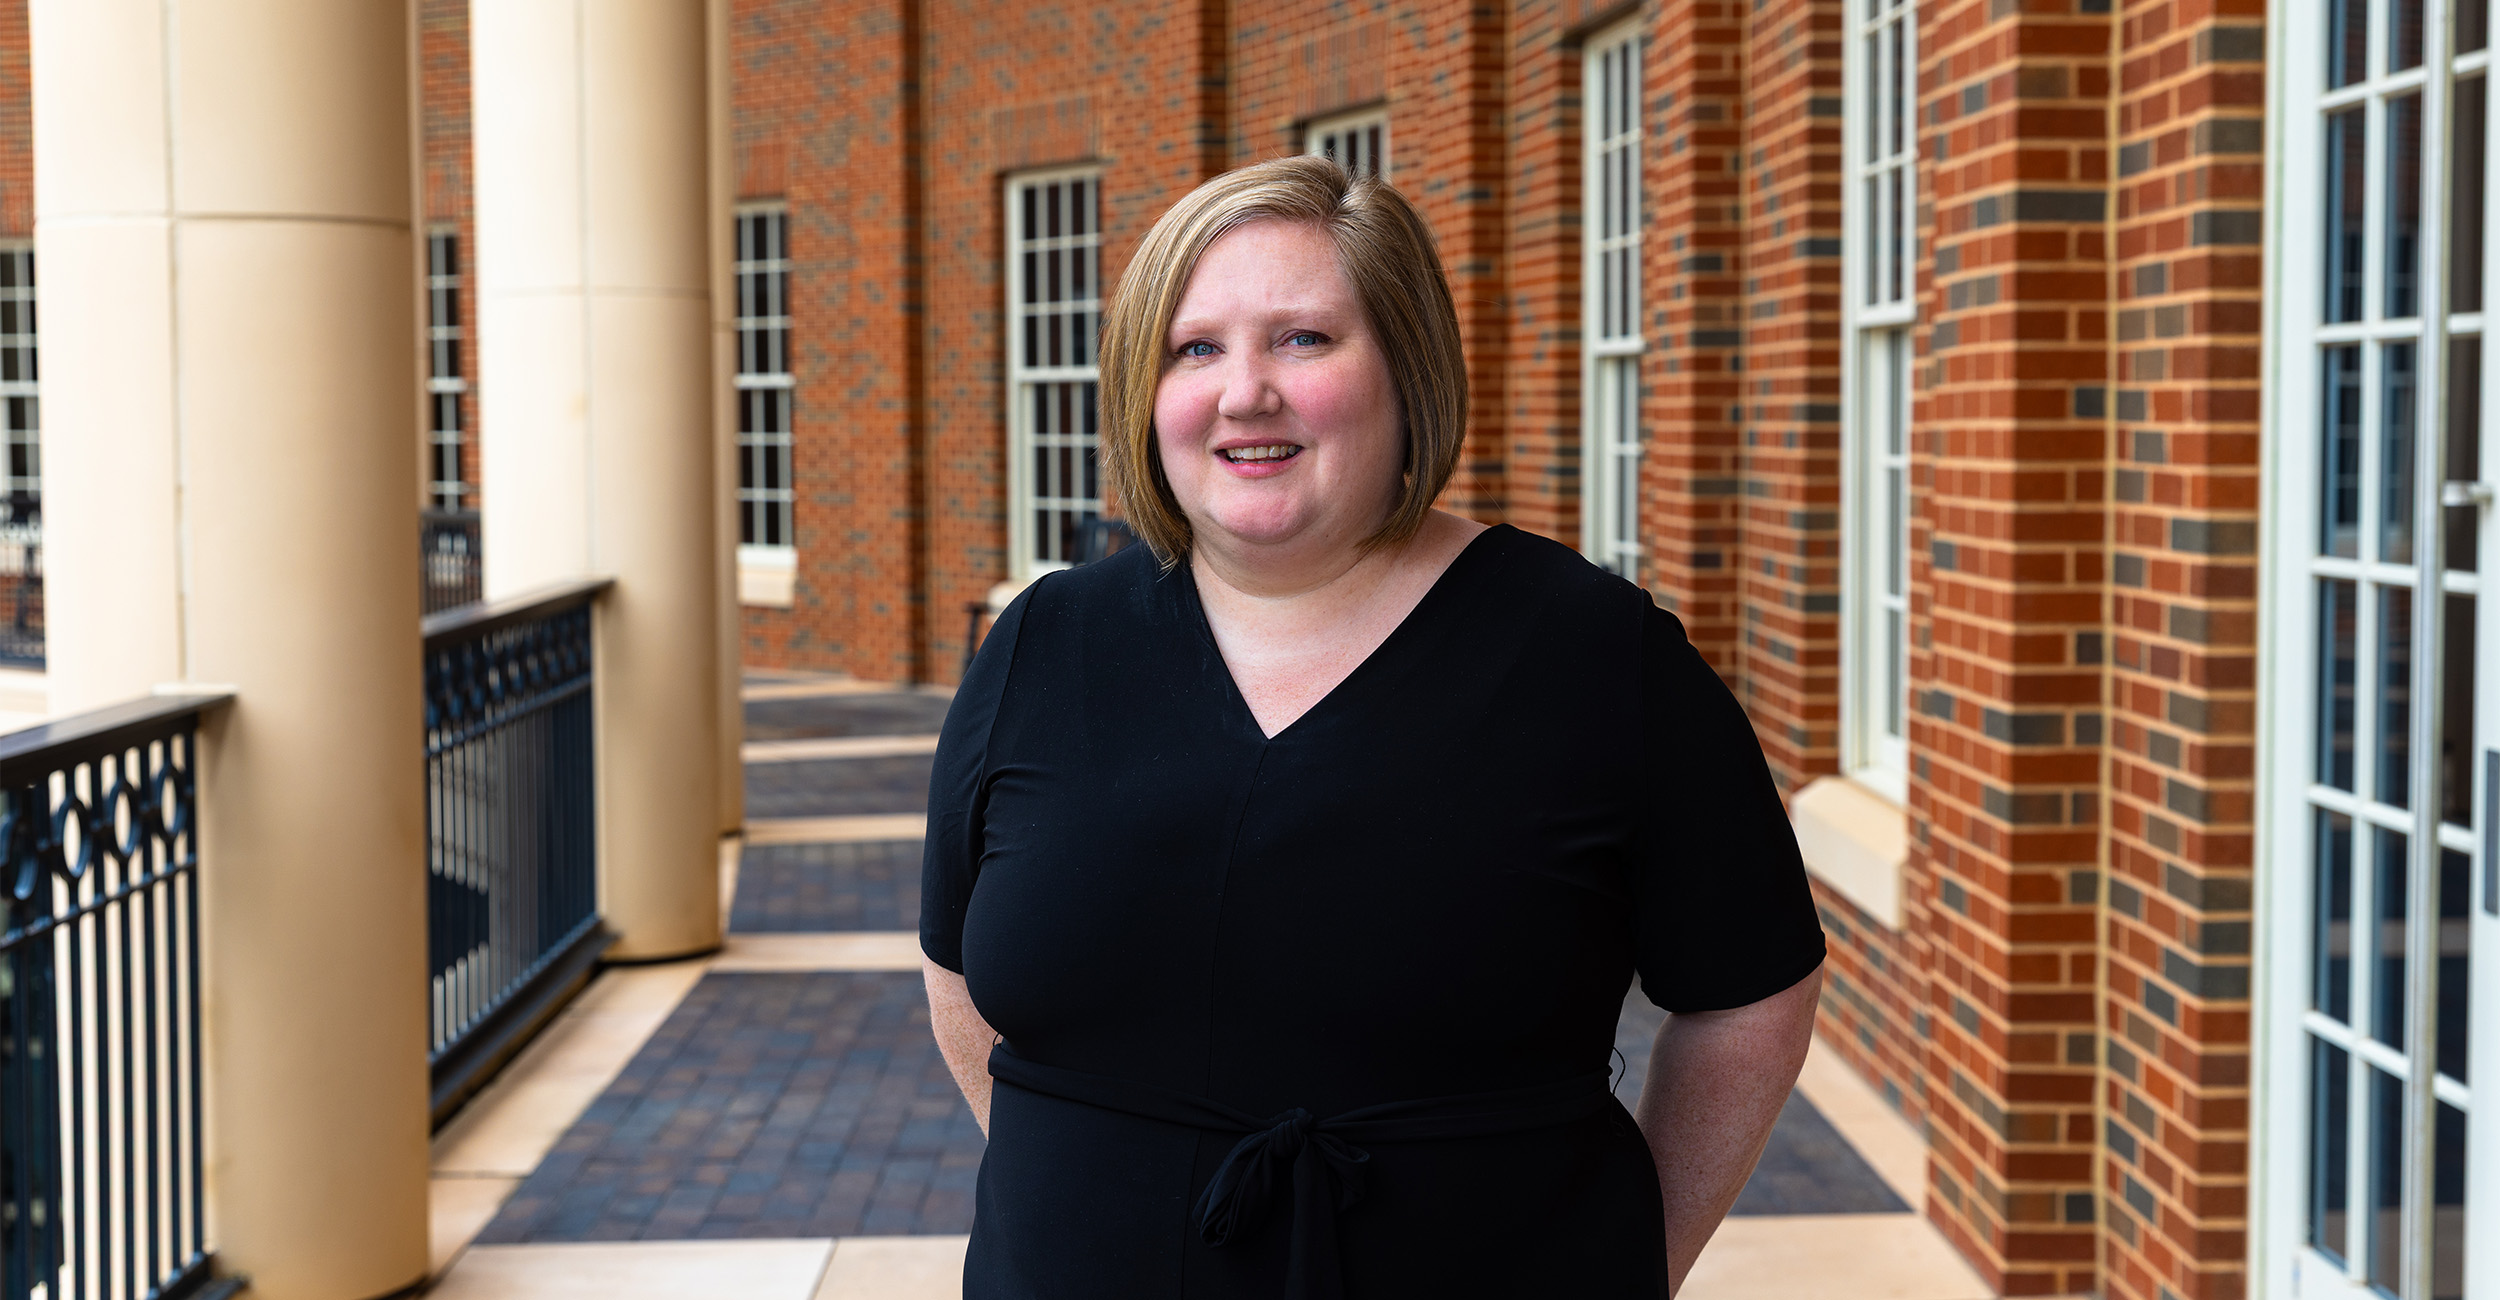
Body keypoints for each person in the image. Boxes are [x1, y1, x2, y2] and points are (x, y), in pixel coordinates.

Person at [921, 155, 1825, 1299]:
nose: (1244, 390)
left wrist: (1624, 1262)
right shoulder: (1043, 643)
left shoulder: (1593, 656)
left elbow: (1750, 993)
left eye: (1302, 337)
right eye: (1195, 348)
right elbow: (955, 970)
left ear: (1406, 365)